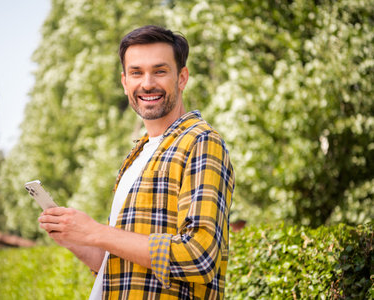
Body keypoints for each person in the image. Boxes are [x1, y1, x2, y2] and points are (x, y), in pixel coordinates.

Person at [38, 25, 235, 299]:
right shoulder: (139, 154)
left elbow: (200, 257)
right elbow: (126, 270)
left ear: (182, 78)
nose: (147, 83)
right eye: (136, 73)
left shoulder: (200, 142)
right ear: (124, 82)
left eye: (160, 71)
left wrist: (96, 232)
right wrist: (77, 239)